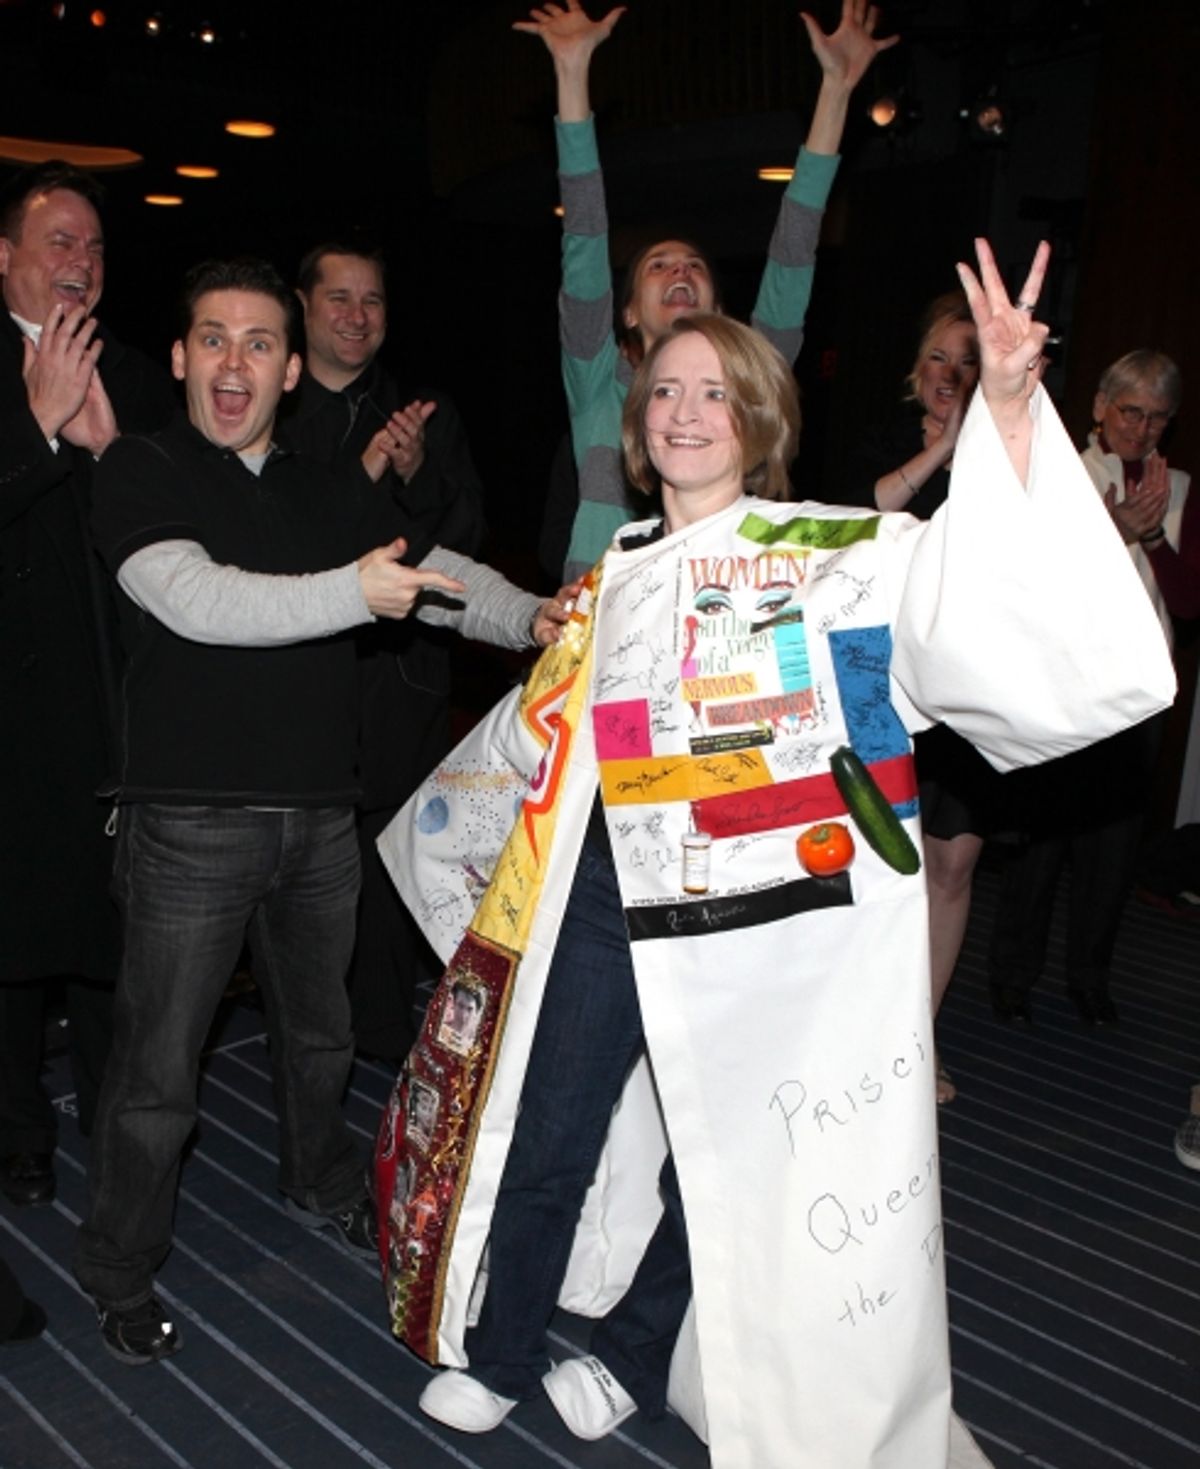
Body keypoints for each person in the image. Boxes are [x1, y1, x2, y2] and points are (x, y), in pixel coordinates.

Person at [375, 244, 1174, 1466]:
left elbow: (968, 595)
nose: (686, 412)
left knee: (738, 1148)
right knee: (554, 1120)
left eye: (714, 393)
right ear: (640, 426)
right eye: (666, 394)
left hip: (768, 903)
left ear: (758, 418)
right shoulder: (620, 573)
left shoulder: (836, 551)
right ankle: (500, 1350)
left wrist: (1010, 405)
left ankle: (637, 1349)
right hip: (605, 887)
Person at [73, 257, 567, 1367]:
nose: (232, 362)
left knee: (323, 1034)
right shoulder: (140, 469)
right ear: (184, 355)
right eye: (211, 338)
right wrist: (355, 592)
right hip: (190, 824)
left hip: (319, 819)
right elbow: (194, 601)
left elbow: (435, 569)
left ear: (291, 369)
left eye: (257, 343)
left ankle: (323, 1180)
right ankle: (117, 1265)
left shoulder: (326, 484)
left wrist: (536, 618)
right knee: (157, 1072)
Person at [518, 0, 897, 580]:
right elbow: (585, 235)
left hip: (715, 613)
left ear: (718, 309)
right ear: (624, 313)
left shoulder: (746, 374)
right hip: (601, 624)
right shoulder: (596, 377)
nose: (679, 272)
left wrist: (836, 91)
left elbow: (794, 252)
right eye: (657, 266)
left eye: (694, 266)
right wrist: (571, 73)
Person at [0, 162, 177, 1210]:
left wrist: (108, 450)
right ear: (8, 258)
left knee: (114, 932)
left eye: (95, 248)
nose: (80, 262)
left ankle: (123, 1131)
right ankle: (19, 1131)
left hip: (118, 703)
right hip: (12, 715)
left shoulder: (140, 378)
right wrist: (33, 428)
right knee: (12, 945)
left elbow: (175, 536)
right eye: (58, 242)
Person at [282, 241, 489, 1061]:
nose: (357, 317)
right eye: (339, 298)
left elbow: (466, 545)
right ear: (303, 305)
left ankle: (380, 1030)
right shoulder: (271, 408)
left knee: (391, 859)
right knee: (298, 859)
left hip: (401, 678)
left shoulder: (423, 412)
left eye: (371, 301)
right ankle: (303, 1030)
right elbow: (286, 545)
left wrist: (414, 474)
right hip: (299, 676)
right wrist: (369, 473)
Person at [988, 350, 1190, 1026]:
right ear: (1101, 405)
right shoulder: (1057, 470)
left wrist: (1153, 533)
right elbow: (1032, 577)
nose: (1143, 428)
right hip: (1064, 681)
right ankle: (1013, 976)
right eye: (1131, 411)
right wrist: (1114, 529)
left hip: (1139, 690)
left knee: (1114, 849)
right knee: (1042, 840)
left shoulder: (1181, 487)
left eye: (1158, 417)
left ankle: (1090, 978)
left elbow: (1189, 603)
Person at [840, 293, 998, 1101]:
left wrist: (976, 455)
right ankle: (855, 1027)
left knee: (951, 862)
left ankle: (915, 1038)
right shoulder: (883, 436)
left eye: (970, 363)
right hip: (880, 681)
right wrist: (941, 455)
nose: (954, 374)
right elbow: (868, 510)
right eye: (941, 357)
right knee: (877, 858)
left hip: (967, 686)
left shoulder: (1003, 455)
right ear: (917, 366)